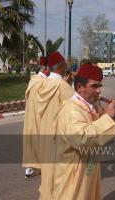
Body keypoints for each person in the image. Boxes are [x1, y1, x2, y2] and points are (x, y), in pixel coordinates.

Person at [42, 63, 115, 200]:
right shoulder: (71, 110)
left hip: (88, 167)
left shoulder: (91, 106)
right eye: (94, 86)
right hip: (72, 173)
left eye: (100, 86)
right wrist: (108, 117)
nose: (99, 91)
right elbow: (82, 139)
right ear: (79, 87)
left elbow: (102, 128)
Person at [38, 51, 74, 197]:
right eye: (65, 63)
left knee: (47, 176)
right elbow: (75, 109)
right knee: (59, 180)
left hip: (44, 134)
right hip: (58, 139)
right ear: (61, 66)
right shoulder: (62, 87)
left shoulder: (43, 84)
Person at [22, 56, 50, 178]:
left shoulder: (33, 80)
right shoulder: (44, 82)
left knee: (31, 141)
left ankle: (29, 168)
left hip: (30, 117)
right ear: (47, 68)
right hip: (40, 117)